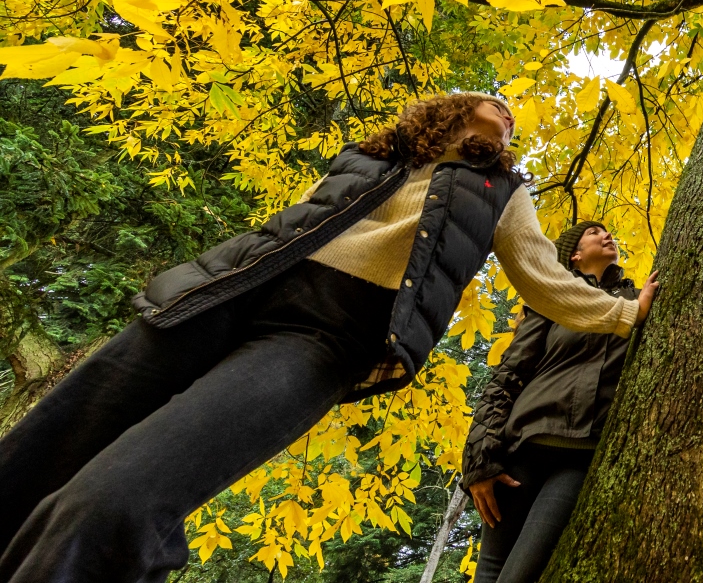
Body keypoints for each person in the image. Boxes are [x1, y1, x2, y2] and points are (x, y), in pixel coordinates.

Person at [0, 92, 660, 583]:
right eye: (496, 105)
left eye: (513, 125)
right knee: (38, 454)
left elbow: (544, 277)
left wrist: (626, 313)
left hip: (324, 336)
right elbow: (294, 223)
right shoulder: (369, 156)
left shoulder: (501, 191)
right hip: (227, 293)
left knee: (114, 501)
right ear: (451, 110)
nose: (508, 116)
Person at [458, 220, 635, 583]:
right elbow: (507, 377)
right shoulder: (551, 298)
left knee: (524, 574)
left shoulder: (635, 301)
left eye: (607, 231)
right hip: (523, 450)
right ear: (575, 255)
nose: (607, 235)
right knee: (489, 571)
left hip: (582, 455)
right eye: (593, 232)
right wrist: (478, 463)